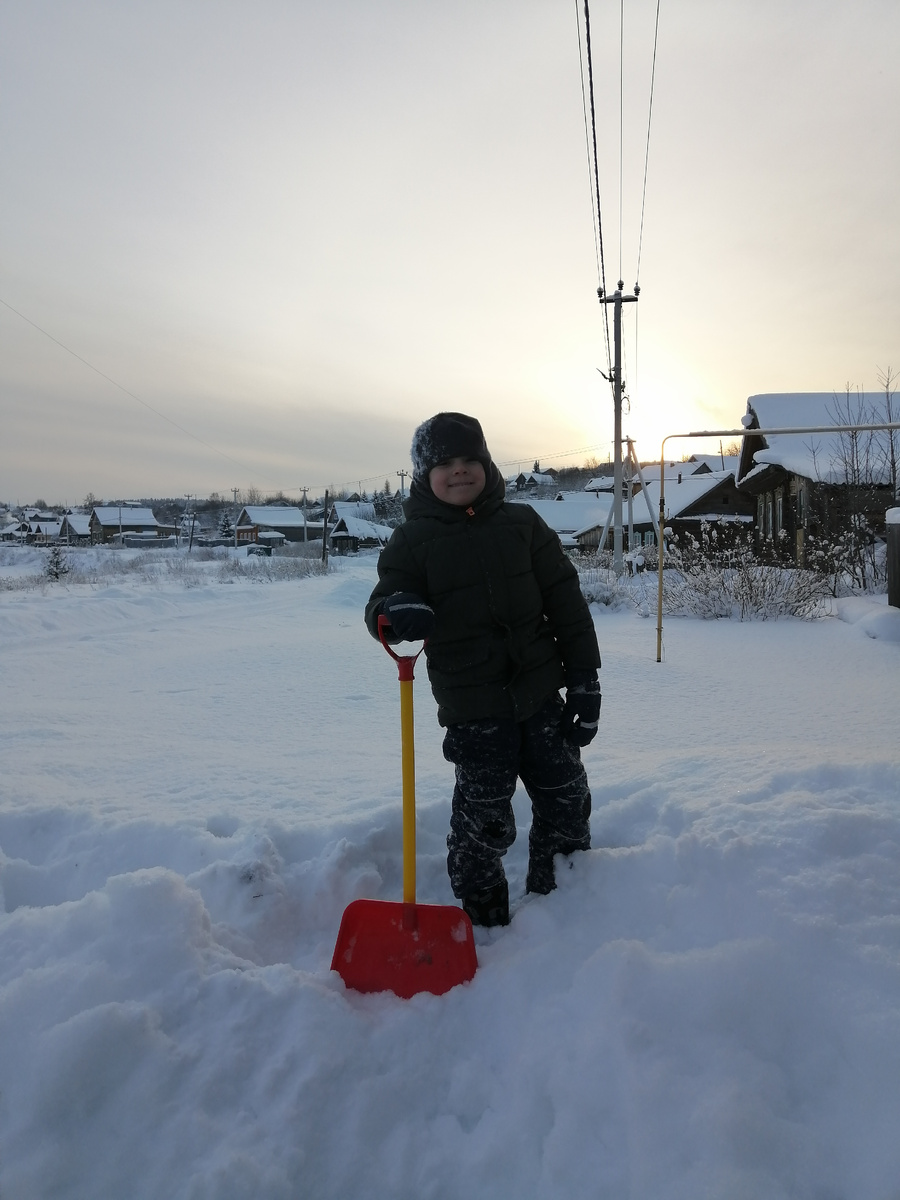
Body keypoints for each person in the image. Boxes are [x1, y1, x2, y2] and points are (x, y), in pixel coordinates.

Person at [365, 413, 601, 928]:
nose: (459, 471)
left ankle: (564, 896)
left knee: (566, 797)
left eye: (470, 459)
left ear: (487, 464)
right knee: (486, 813)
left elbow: (566, 603)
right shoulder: (411, 540)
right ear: (424, 475)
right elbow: (382, 602)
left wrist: (585, 680)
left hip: (540, 694)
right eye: (444, 463)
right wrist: (395, 612)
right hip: (474, 707)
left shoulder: (523, 525)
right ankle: (481, 896)